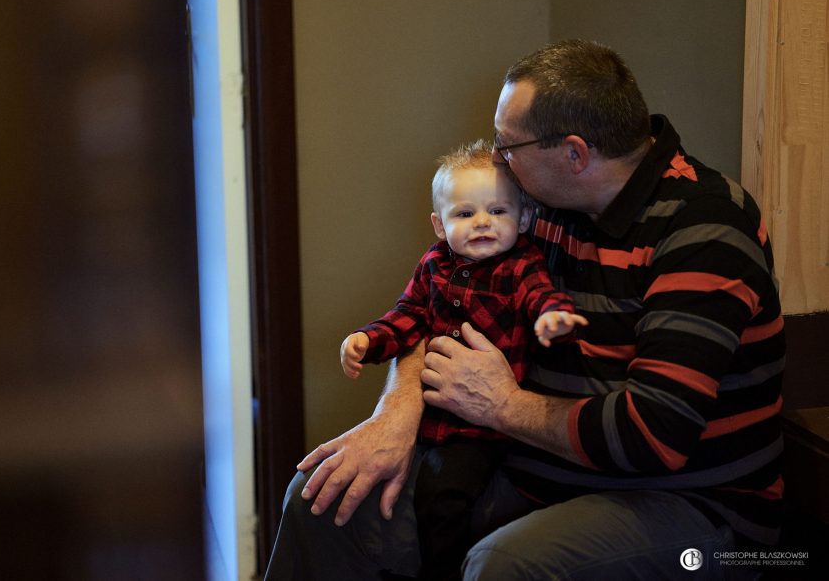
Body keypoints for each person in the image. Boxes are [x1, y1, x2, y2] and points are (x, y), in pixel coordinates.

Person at [264, 39, 784, 580]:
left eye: (507, 144)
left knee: (506, 565)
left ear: (575, 154)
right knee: (321, 494)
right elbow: (442, 298)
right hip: (536, 468)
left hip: (692, 507)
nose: (495, 159)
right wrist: (395, 415)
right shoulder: (542, 207)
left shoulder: (704, 231)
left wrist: (504, 407)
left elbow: (652, 436)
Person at [339, 141, 586, 579]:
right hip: (432, 418)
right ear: (440, 224)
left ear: (524, 218)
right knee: (390, 490)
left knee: (443, 496)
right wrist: (367, 340)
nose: (483, 223)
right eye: (464, 214)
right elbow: (407, 317)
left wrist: (552, 317)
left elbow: (540, 296)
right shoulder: (434, 265)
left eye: (498, 211)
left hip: (483, 428)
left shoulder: (521, 265)